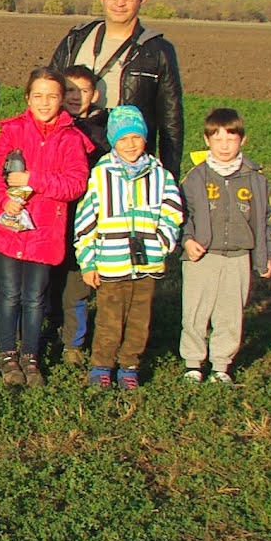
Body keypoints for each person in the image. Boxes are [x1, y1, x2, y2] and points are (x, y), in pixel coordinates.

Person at [0, 66, 91, 389]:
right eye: (38, 96)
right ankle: (7, 354)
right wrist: (3, 200)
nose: (45, 103)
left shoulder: (71, 138)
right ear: (27, 97)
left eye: (52, 97)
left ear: (62, 100)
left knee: (34, 297)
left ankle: (30, 355)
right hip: (9, 228)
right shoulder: (12, 130)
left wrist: (34, 181)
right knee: (9, 294)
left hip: (45, 231)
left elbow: (75, 184)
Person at [72, 105, 183, 390]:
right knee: (110, 317)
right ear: (113, 141)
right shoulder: (100, 176)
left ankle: (130, 364)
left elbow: (173, 213)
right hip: (111, 262)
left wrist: (162, 244)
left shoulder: (161, 176)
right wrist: (88, 261)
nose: (130, 145)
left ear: (145, 139)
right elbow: (85, 221)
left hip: (147, 264)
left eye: (136, 138)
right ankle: (102, 364)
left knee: (139, 318)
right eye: (123, 139)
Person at [179, 107, 271, 384]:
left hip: (238, 256)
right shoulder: (196, 177)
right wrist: (187, 241)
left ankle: (221, 364)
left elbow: (265, 219)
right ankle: (193, 363)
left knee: (230, 313)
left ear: (242, 140)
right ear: (207, 140)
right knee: (196, 311)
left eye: (231, 139)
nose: (225, 145)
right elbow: (182, 214)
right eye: (218, 139)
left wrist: (266, 255)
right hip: (202, 257)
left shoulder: (255, 178)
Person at [50, 0, 184, 167]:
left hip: (126, 158)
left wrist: (170, 176)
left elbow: (170, 120)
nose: (120, 3)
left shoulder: (157, 50)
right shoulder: (76, 39)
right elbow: (48, 91)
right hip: (68, 152)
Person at [53, 64, 108, 365]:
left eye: (83, 91)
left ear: (95, 94)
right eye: (69, 90)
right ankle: (48, 329)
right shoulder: (53, 124)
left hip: (85, 218)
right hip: (53, 214)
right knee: (49, 280)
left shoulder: (105, 131)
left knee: (77, 283)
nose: (75, 97)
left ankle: (73, 342)